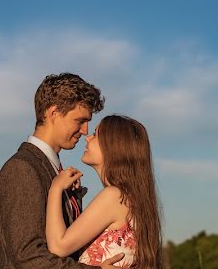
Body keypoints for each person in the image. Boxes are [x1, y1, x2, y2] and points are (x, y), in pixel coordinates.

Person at [0, 73, 125, 269]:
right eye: (79, 120)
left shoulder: (55, 173)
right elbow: (29, 257)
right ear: (53, 113)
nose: (85, 130)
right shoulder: (22, 169)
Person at [45, 115, 161, 268]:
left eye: (96, 134)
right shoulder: (132, 198)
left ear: (113, 146)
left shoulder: (114, 196)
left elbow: (58, 247)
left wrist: (55, 188)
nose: (87, 138)